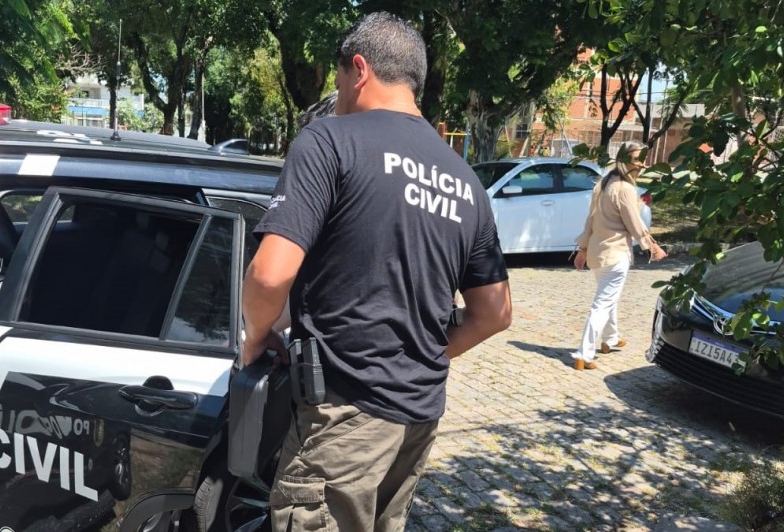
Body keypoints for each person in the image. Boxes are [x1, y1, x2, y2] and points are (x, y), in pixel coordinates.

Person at [240, 11, 512, 531]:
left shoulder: (329, 143)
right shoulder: (465, 181)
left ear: (358, 69)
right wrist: (424, 351)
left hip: (343, 420)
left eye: (339, 77)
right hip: (417, 422)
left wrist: (255, 338)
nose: (338, 91)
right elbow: (495, 312)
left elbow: (269, 276)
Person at [572, 140, 667, 370]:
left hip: (598, 253)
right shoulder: (624, 189)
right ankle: (584, 353)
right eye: (636, 159)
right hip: (615, 255)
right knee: (603, 303)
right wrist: (652, 246)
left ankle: (610, 339)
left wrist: (583, 249)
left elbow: (590, 220)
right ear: (624, 160)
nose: (641, 165)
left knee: (608, 298)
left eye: (643, 159)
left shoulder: (605, 183)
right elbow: (634, 224)